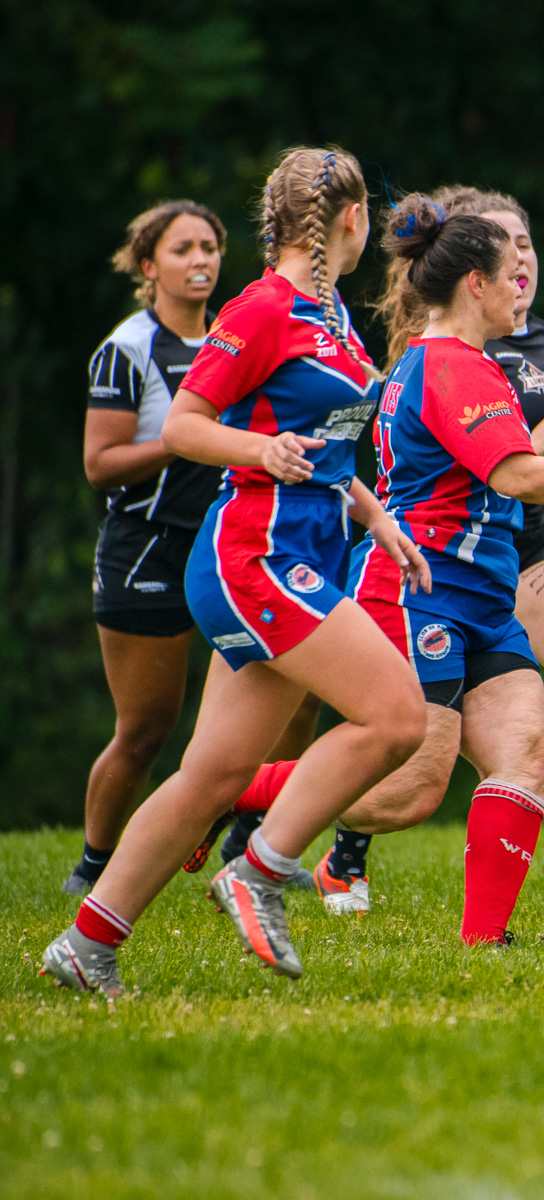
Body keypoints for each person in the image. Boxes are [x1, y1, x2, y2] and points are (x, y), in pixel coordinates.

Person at [233, 196, 544, 939]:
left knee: (524, 754)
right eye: (510, 275)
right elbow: (517, 475)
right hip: (423, 591)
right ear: (474, 284)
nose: (522, 288)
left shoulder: (460, 362)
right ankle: (235, 791)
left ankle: (486, 937)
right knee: (411, 788)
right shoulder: (451, 368)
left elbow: (511, 471)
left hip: (483, 596)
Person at [39, 146, 431, 997]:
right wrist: (260, 448)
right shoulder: (261, 308)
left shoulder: (328, 316)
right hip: (255, 554)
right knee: (399, 717)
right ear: (351, 220)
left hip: (301, 553)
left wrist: (375, 515)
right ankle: (261, 869)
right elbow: (184, 426)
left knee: (213, 776)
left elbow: (324, 447)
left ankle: (86, 944)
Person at [68, 200, 319, 897]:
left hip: (233, 542)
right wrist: (191, 435)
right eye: (183, 249)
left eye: (210, 246)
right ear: (149, 267)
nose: (203, 260)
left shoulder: (236, 335)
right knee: (146, 728)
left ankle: (253, 841)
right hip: (146, 549)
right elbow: (99, 464)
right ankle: (93, 867)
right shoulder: (128, 349)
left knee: (297, 699)